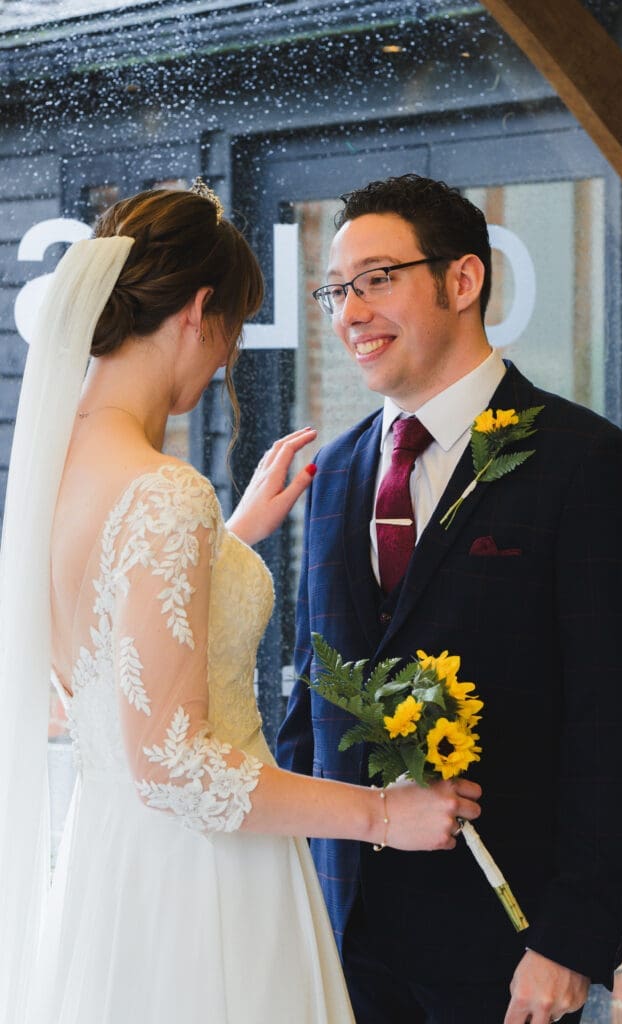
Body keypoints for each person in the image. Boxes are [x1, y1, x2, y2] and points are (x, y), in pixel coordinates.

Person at [0, 183, 483, 1024]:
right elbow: (178, 769)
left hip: (112, 873)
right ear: (197, 312)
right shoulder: (162, 492)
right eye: (230, 329)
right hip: (206, 885)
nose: (225, 359)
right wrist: (382, 814)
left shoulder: (57, 464)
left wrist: (229, 541)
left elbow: (115, 634)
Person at [277, 173, 622, 1024]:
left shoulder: (587, 465)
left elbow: (616, 719)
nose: (349, 311)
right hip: (344, 937)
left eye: (376, 279)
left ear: (463, 280)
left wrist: (571, 938)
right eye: (336, 289)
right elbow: (316, 695)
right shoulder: (336, 470)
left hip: (511, 949)